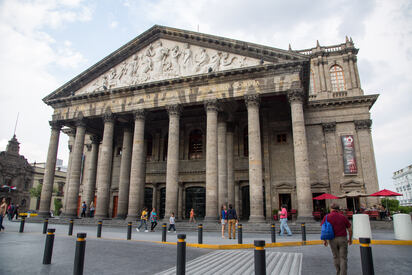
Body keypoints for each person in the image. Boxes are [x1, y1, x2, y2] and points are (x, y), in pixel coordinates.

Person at [321, 203, 352, 275]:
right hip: (342, 239)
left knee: (336, 257)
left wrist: (325, 240)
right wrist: (350, 239)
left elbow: (324, 230)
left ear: (331, 209)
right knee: (343, 258)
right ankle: (343, 273)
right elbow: (350, 229)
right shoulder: (343, 217)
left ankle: (338, 272)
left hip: (332, 239)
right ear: (338, 209)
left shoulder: (326, 217)